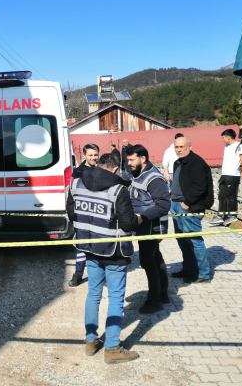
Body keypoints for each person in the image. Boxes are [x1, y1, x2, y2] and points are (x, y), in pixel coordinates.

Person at [67, 153, 140, 363]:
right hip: (113, 251)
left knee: (93, 294)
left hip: (89, 248)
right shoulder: (118, 190)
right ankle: (112, 348)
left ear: (98, 165)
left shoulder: (76, 185)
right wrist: (139, 218)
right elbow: (128, 224)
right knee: (116, 297)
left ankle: (91, 342)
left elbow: (72, 214)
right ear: (116, 169)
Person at [126, 144, 171, 313]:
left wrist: (141, 217)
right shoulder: (139, 174)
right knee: (155, 258)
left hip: (152, 227)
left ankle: (155, 300)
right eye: (128, 159)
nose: (129, 163)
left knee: (147, 261)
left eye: (132, 159)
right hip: (144, 227)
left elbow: (164, 205)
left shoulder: (154, 179)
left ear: (143, 158)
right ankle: (163, 293)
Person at [170, 137, 213, 283]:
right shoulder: (178, 162)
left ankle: (203, 273)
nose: (179, 149)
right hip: (175, 205)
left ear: (190, 146)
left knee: (194, 240)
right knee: (183, 240)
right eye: (176, 147)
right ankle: (189, 270)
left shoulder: (196, 162)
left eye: (182, 146)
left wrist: (187, 203)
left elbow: (200, 186)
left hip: (189, 206)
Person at [68, 143, 100, 287]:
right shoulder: (77, 173)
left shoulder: (102, 170)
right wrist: (72, 216)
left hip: (98, 215)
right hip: (82, 216)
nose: (94, 158)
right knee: (82, 246)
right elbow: (71, 196)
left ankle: (98, 274)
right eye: (91, 155)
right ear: (84, 156)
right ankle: (78, 274)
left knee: (98, 245)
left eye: (95, 155)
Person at [209, 129, 242, 227]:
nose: (223, 140)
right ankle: (221, 216)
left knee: (230, 196)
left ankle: (232, 215)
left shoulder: (239, 146)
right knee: (222, 195)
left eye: (223, 138)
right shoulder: (226, 146)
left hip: (233, 175)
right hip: (224, 175)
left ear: (228, 137)